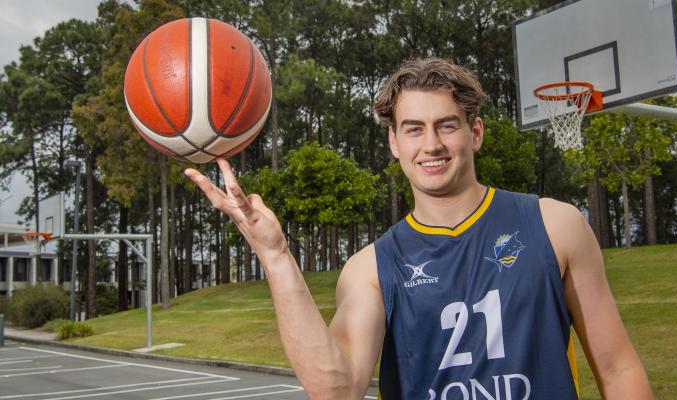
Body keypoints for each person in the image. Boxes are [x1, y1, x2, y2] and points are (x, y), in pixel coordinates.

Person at [185, 58, 653, 400]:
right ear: (393, 141)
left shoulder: (555, 225)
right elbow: (336, 389)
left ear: (476, 132)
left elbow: (617, 369)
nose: (431, 144)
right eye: (413, 129)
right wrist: (276, 257)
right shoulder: (371, 268)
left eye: (446, 126)